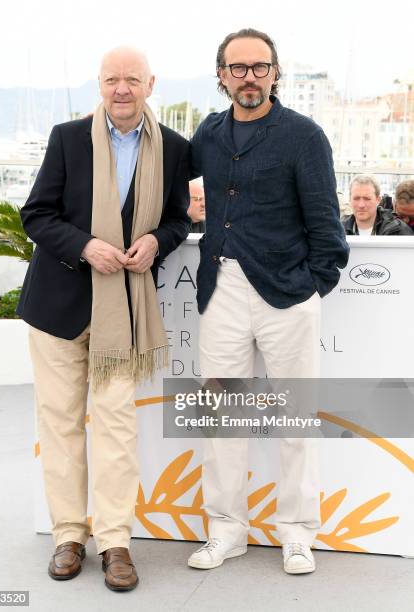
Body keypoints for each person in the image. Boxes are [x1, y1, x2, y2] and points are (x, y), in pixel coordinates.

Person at [16, 46, 190, 592]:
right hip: (58, 307)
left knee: (116, 426)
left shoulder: (176, 150)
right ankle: (69, 534)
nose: (121, 89)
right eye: (112, 79)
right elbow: (36, 213)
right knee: (61, 424)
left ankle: (116, 541)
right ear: (100, 84)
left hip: (127, 314)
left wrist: (155, 242)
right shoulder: (67, 138)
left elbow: (179, 220)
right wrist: (85, 245)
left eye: (131, 79)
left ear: (149, 84)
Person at [188, 28, 349, 574]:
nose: (249, 77)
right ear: (222, 76)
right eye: (238, 68)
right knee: (221, 418)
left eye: (259, 67)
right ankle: (227, 530)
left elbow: (328, 227)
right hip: (222, 289)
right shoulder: (207, 133)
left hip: (287, 293)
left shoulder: (304, 135)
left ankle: (298, 532)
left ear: (275, 73)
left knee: (296, 418)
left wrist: (310, 286)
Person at [341, 175, 413, 236]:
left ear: (378, 200)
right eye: (356, 198)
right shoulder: (336, 229)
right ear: (349, 200)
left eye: (367, 199)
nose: (361, 205)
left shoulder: (399, 230)